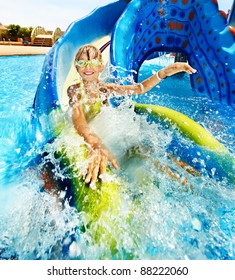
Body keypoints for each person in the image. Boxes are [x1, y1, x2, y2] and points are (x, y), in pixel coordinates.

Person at [67, 44, 197, 189]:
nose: (88, 67)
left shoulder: (105, 89)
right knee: (137, 154)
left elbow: (139, 89)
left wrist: (164, 72)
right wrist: (94, 142)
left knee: (145, 150)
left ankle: (189, 181)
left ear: (101, 67)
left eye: (93, 63)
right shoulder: (75, 90)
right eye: (82, 63)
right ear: (76, 67)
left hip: (108, 132)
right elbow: (78, 117)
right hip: (95, 135)